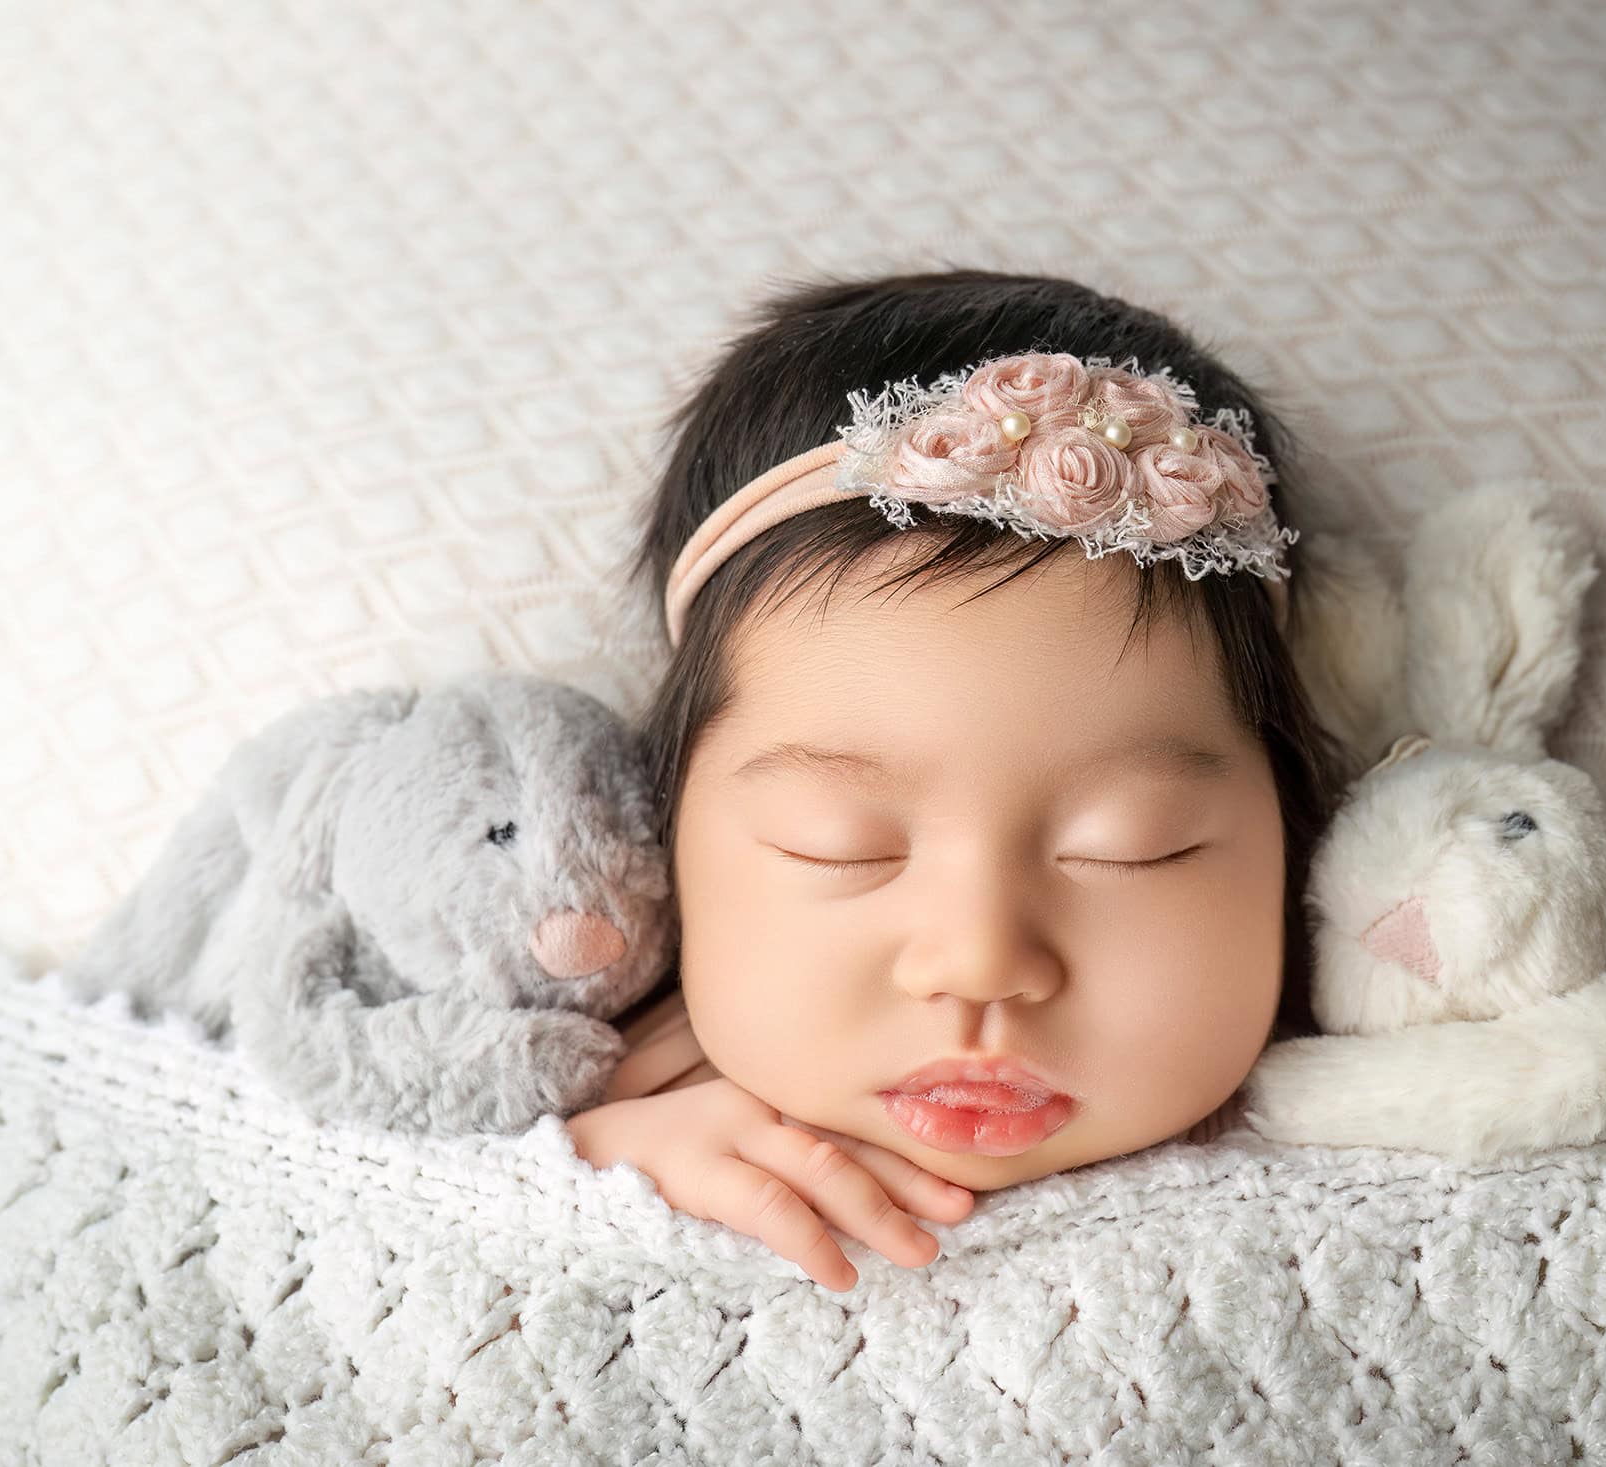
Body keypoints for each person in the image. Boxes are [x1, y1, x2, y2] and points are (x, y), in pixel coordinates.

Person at [565, 268, 1340, 1292]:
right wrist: (588, 1177)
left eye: (1132, 844)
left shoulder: (1418, 1142)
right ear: (660, 838)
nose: (980, 962)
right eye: (836, 841)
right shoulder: (581, 1155)